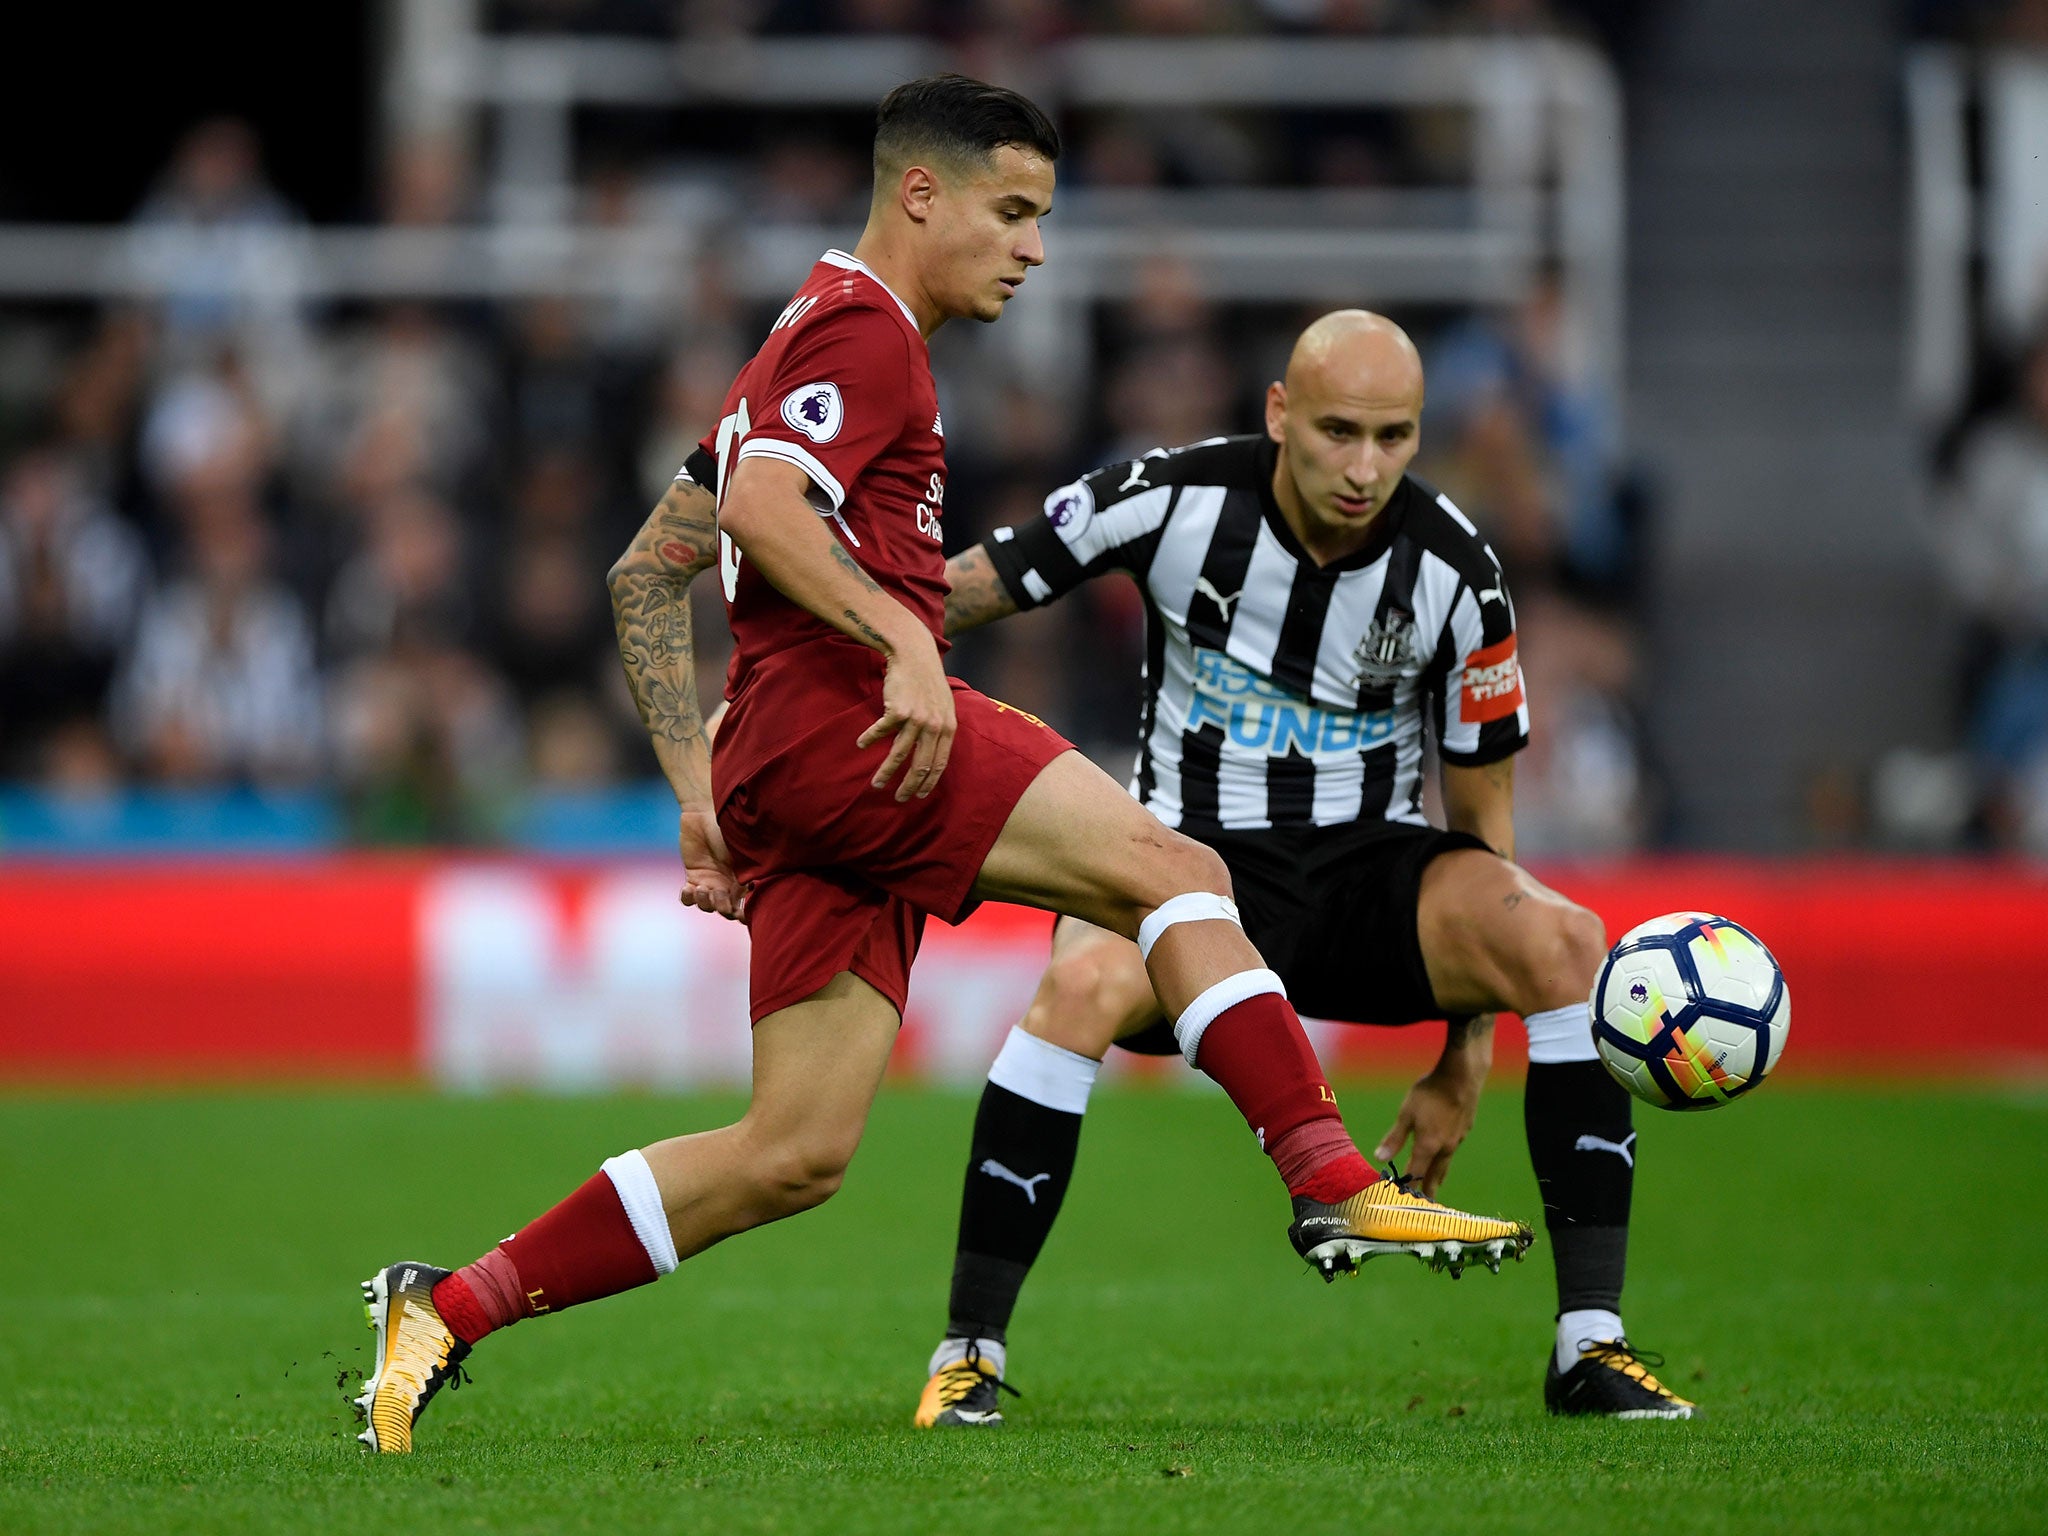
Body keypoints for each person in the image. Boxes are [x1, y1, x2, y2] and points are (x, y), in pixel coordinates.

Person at [351, 76, 1530, 1454]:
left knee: (793, 1150)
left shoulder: (794, 343)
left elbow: (646, 572)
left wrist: (695, 801)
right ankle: (1328, 1174)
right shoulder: (869, 336)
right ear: (923, 193)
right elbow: (756, 507)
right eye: (1014, 211)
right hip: (860, 725)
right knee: (1174, 865)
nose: (1034, 248)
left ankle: (447, 1306)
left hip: (782, 766)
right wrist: (899, 646)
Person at [913, 310, 1693, 1428]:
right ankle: (967, 1353)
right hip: (1184, 871)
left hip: (1367, 885)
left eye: (1392, 437)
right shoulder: (1168, 498)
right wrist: (850, 641)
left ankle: (1590, 1347)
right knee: (1077, 984)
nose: (1363, 467)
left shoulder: (1458, 574)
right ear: (1279, 414)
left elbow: (1481, 816)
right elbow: (967, 588)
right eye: (1337, 431)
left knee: (1565, 938)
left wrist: (1463, 1053)